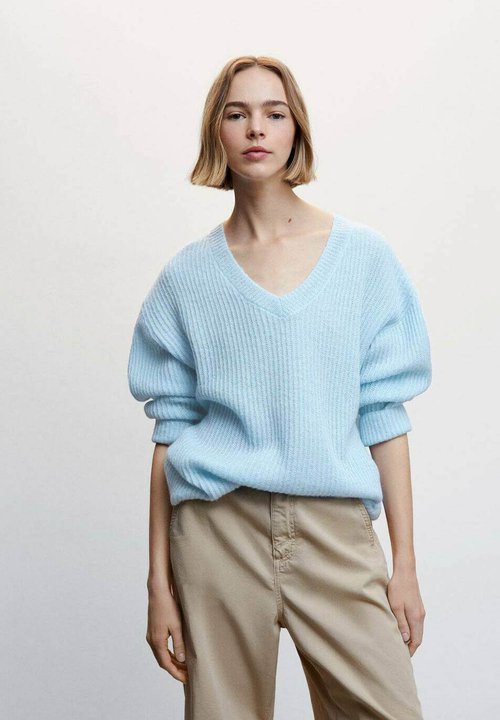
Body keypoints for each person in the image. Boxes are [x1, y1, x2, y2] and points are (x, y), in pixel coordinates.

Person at [127, 55, 432, 720]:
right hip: (217, 531)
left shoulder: (362, 257)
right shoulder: (187, 279)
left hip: (333, 528)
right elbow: (169, 436)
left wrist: (404, 565)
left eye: (274, 113)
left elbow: (383, 415)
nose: (256, 129)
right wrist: (159, 585)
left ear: (297, 130)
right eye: (236, 114)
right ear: (217, 132)